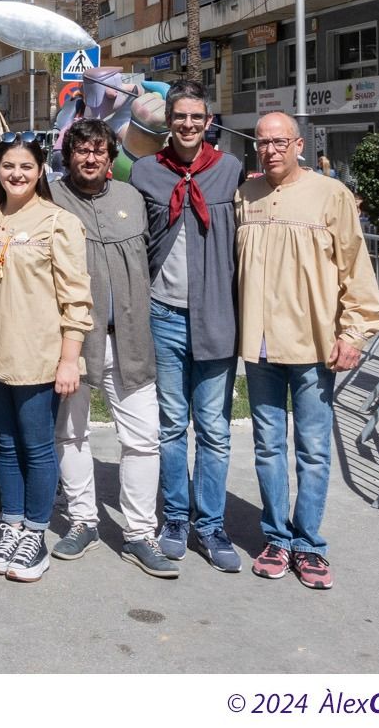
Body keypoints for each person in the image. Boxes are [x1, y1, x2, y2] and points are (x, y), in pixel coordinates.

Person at [237, 112, 379, 591]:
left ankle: (309, 545)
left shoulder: (331, 195)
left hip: (315, 344)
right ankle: (277, 537)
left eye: (280, 141)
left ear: (299, 144)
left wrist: (355, 333)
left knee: (314, 449)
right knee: (267, 446)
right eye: (263, 142)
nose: (271, 150)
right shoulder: (246, 195)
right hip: (259, 346)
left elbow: (355, 268)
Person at [129, 80, 243, 573]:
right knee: (172, 424)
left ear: (209, 120)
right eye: (180, 117)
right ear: (167, 120)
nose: (189, 125)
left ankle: (211, 525)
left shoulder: (231, 171)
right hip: (164, 315)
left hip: (216, 316)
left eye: (197, 117)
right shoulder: (146, 174)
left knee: (214, 429)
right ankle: (175, 517)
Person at [49, 120, 170, 578]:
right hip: (75, 343)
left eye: (99, 151)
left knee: (142, 439)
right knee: (71, 434)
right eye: (82, 150)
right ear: (69, 154)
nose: (91, 159)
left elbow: (151, 258)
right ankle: (83, 521)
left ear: (111, 155)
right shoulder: (51, 201)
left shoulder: (132, 200)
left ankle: (141, 533)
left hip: (132, 340)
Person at [0, 133, 92, 584]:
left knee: (37, 445)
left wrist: (69, 358)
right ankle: (13, 526)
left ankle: (35, 536)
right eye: (8, 166)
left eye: (25, 167)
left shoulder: (59, 222)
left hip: (38, 354)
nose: (16, 174)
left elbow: (77, 299)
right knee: (6, 445)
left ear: (40, 171)